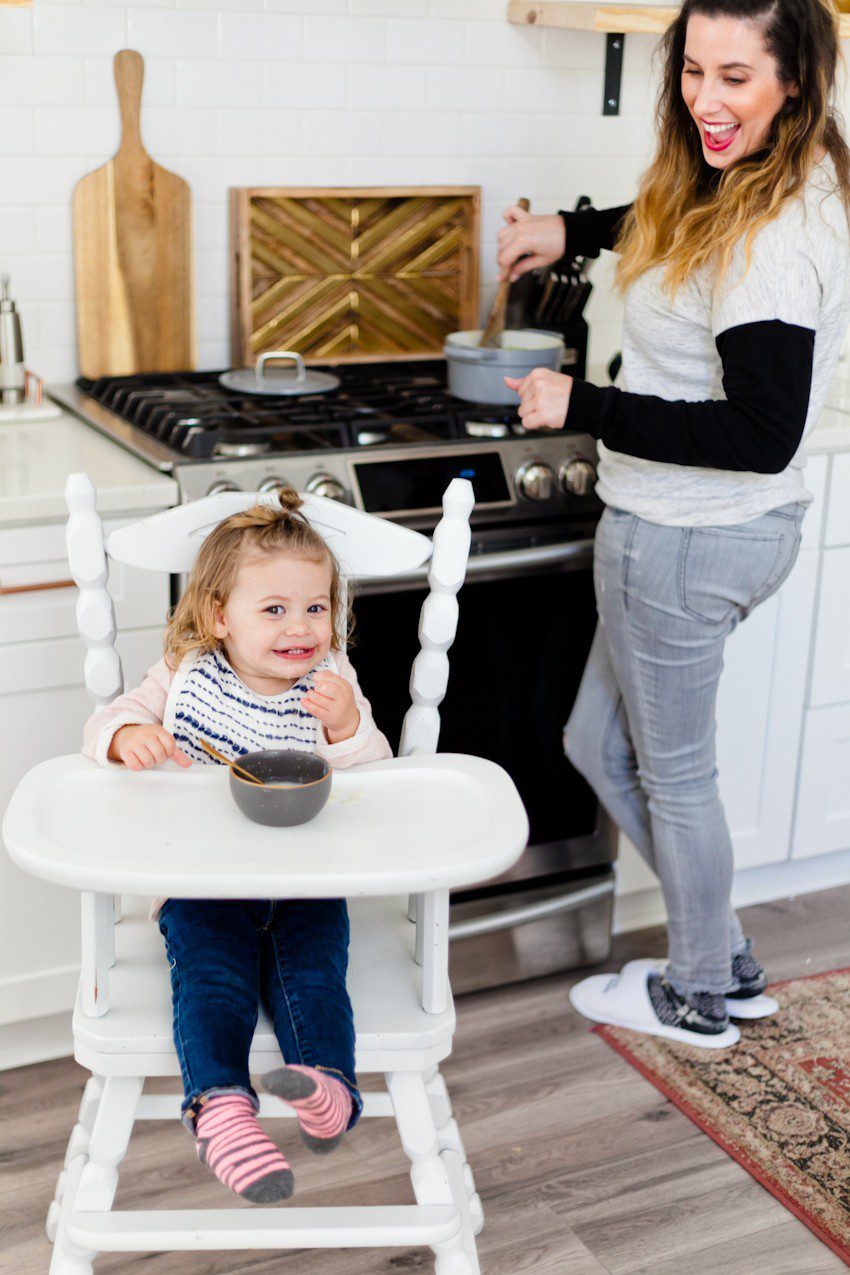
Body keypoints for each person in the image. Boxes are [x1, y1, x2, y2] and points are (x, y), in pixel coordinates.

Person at [497, 0, 850, 1047]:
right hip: (699, 529)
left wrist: (581, 406)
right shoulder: (777, 169)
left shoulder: (773, 242)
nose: (705, 97)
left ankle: (698, 991)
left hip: (688, 532)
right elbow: (675, 220)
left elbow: (759, 432)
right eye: (692, 69)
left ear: (794, 78)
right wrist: (578, 231)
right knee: (594, 742)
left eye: (735, 77)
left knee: (669, 770)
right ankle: (724, 956)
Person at [83, 490, 391, 1201]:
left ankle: (326, 1087)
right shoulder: (185, 676)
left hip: (305, 882)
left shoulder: (332, 687)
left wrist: (347, 731)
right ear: (221, 616)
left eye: (316, 608)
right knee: (212, 981)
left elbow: (378, 791)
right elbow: (110, 716)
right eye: (274, 609)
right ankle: (221, 1108)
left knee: (313, 978)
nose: (301, 627)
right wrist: (129, 736)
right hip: (201, 881)